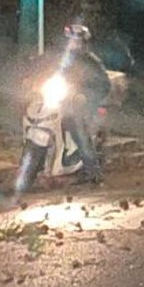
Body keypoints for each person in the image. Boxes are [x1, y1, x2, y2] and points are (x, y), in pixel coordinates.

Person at [58, 24, 111, 183]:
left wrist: (86, 97)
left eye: (77, 41)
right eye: (71, 41)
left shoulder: (91, 61)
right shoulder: (64, 60)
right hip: (66, 102)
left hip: (84, 105)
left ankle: (92, 171)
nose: (73, 44)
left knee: (78, 130)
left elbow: (104, 84)